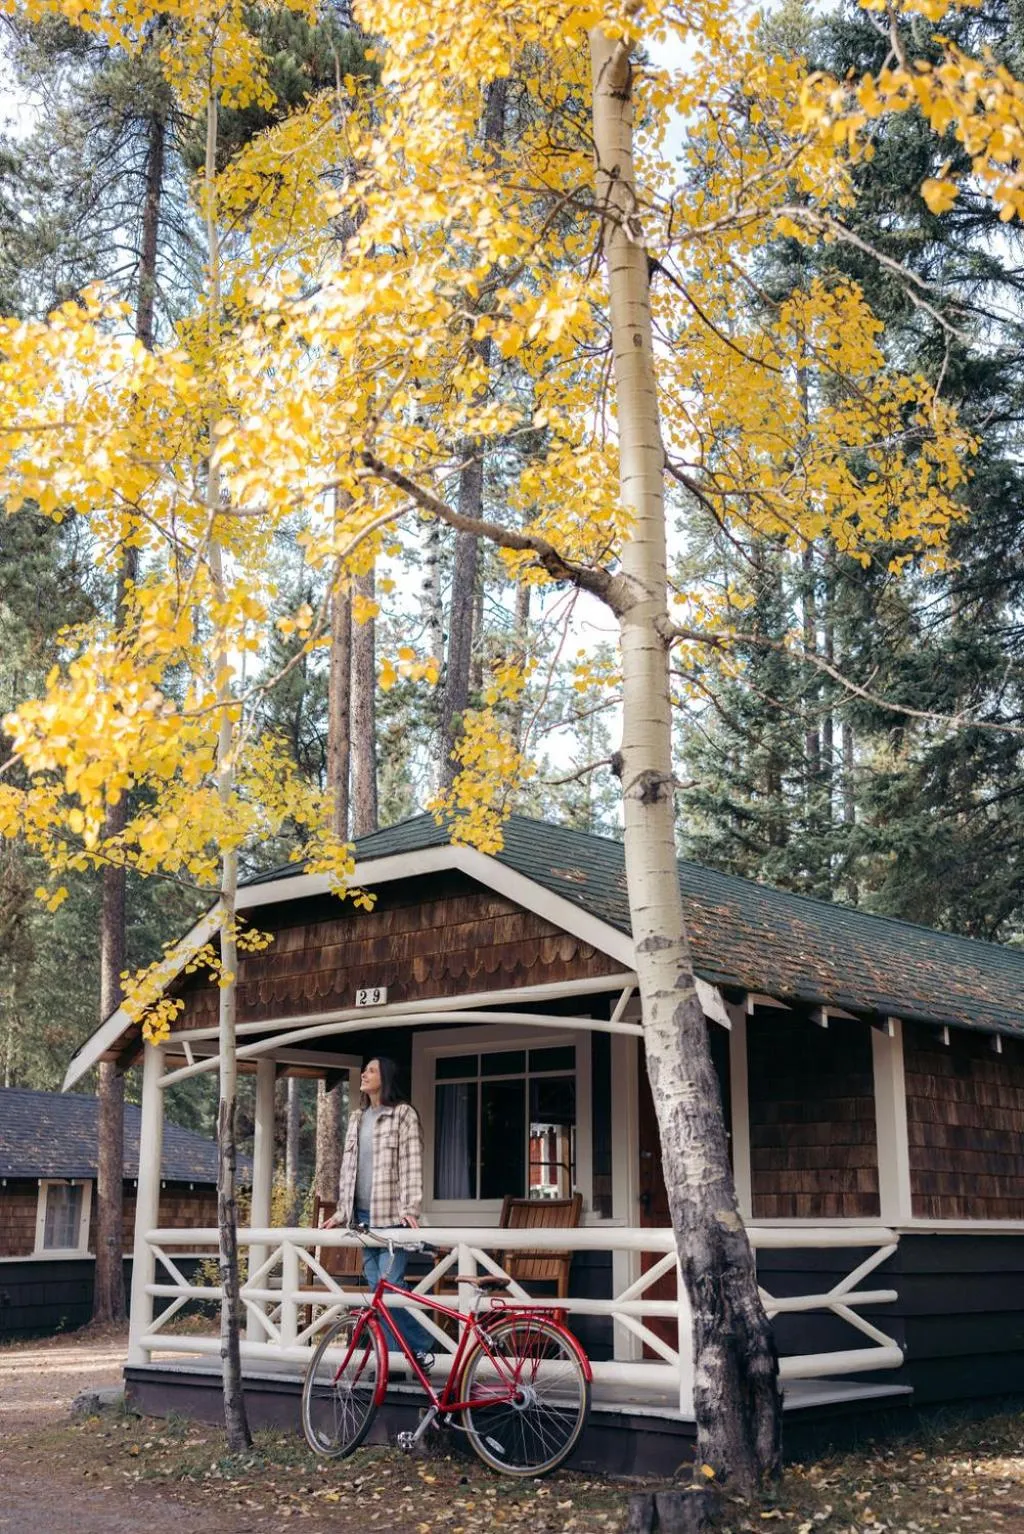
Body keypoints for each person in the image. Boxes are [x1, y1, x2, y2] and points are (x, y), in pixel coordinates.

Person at [326, 1056, 434, 1364]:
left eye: (371, 1070)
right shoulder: (357, 1118)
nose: (364, 1074)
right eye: (365, 1069)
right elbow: (349, 1169)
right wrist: (340, 1212)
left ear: (384, 1077)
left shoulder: (403, 1115)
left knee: (392, 1286)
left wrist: (410, 1207)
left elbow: (411, 1164)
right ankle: (397, 1362)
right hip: (360, 1217)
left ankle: (420, 1347)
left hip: (390, 1217)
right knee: (378, 1288)